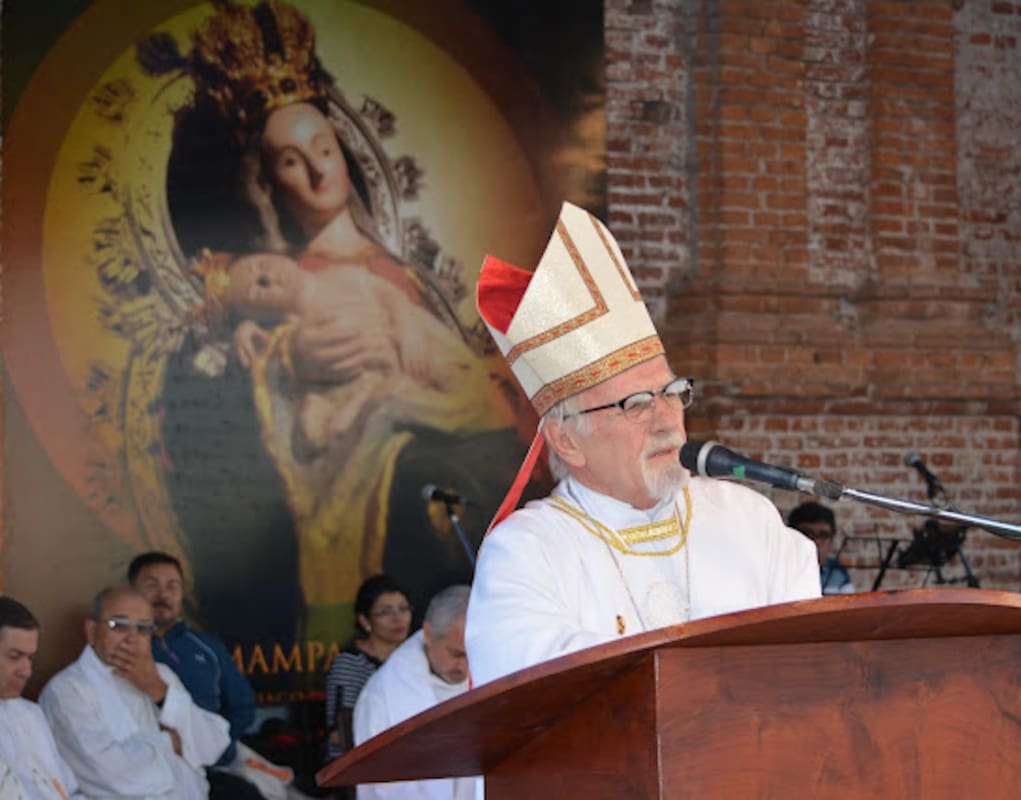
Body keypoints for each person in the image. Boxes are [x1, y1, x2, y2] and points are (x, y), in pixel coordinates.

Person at [140, 0, 528, 645]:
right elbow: (203, 410)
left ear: (345, 154)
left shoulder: (406, 278)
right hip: (325, 500)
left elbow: (466, 390)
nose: (319, 170)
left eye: (324, 148)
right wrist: (286, 366)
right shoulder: (268, 283)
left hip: (419, 476)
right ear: (265, 184)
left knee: (424, 473)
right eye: (292, 161)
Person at [465, 201, 822, 686]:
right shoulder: (527, 552)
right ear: (567, 440)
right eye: (635, 404)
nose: (665, 419)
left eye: (673, 393)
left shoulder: (749, 520)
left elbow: (816, 663)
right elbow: (537, 696)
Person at [204, 250, 498, 458]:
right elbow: (270, 353)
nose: (267, 276)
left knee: (455, 385)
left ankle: (444, 402)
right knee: (320, 427)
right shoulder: (291, 330)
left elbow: (389, 295)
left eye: (259, 264)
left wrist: (407, 329)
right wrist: (244, 330)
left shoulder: (338, 274)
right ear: (260, 314)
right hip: (372, 375)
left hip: (408, 347)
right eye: (256, 290)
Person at [130, 550, 303, 800]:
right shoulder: (123, 648)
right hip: (149, 768)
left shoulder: (206, 648)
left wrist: (217, 745)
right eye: (151, 585)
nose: (163, 594)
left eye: (172, 586)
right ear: (131, 591)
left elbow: (243, 706)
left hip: (216, 762)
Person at [39, 586, 231, 799]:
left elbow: (212, 745)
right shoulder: (66, 690)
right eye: (118, 626)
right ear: (91, 631)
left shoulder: (161, 675)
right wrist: (172, 743)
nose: (132, 638)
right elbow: (113, 776)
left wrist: (159, 691)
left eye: (143, 628)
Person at [353, 585, 474, 799]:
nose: (464, 667)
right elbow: (382, 784)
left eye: (472, 654)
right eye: (456, 654)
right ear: (428, 634)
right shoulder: (383, 693)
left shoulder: (490, 670)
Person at [0, 596, 83, 799]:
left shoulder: (30, 714)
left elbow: (67, 790)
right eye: (14, 656)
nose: (27, 671)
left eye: (30, 658)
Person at [325, 575, 413, 763]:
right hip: (361, 761)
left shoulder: (415, 656)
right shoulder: (350, 662)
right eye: (385, 612)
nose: (398, 619)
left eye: (403, 609)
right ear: (365, 620)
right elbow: (341, 732)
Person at [788, 501, 855, 594]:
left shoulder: (837, 572)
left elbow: (849, 607)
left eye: (823, 535)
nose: (816, 542)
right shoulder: (780, 570)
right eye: (808, 534)